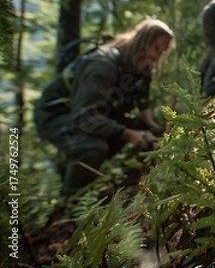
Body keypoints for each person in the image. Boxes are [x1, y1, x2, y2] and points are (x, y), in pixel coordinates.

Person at [34, 18, 175, 196]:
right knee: (94, 147)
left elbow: (142, 102)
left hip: (93, 114)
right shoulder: (102, 65)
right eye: (156, 48)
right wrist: (128, 134)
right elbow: (84, 117)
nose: (157, 56)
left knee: (141, 128)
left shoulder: (141, 67)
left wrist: (154, 128)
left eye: (162, 52)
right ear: (143, 41)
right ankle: (71, 200)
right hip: (56, 115)